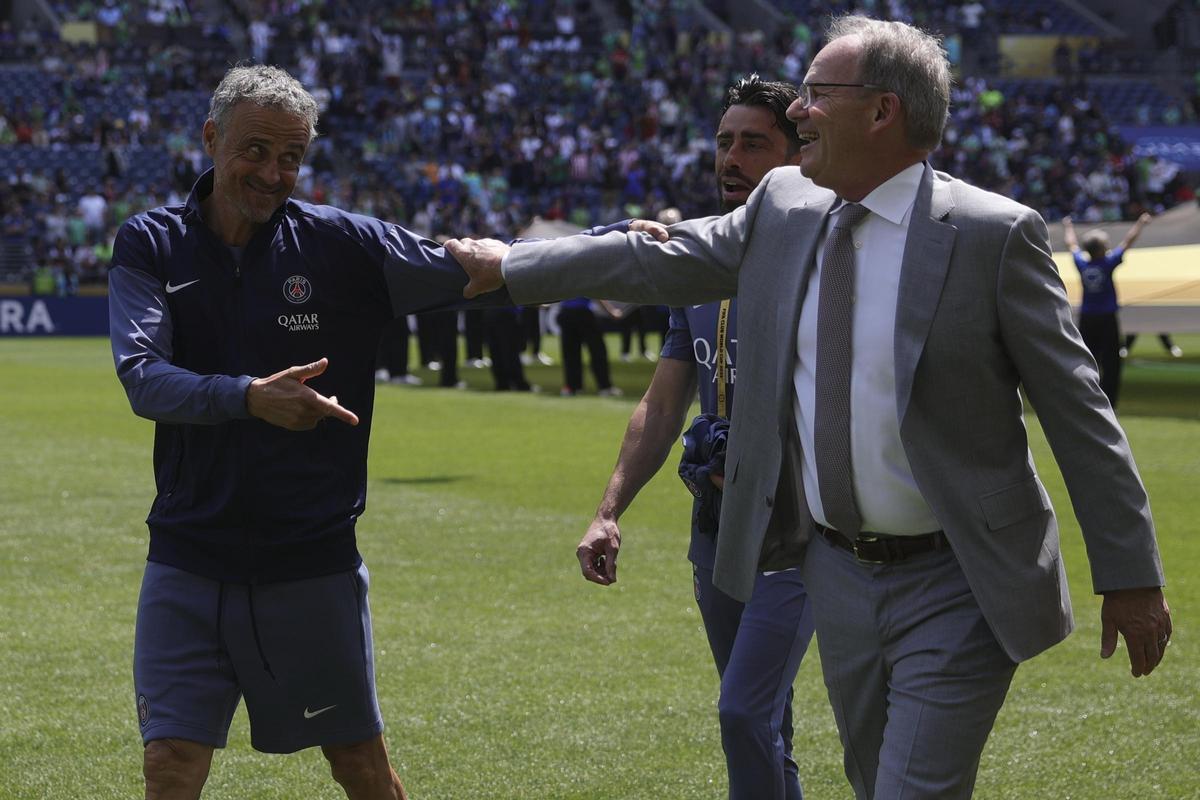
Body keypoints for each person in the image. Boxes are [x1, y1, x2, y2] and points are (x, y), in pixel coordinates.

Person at [447, 15, 1171, 800]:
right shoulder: (785, 204)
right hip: (834, 569)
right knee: (871, 779)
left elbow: (1080, 415)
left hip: (959, 575)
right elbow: (664, 255)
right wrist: (514, 264)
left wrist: (1129, 574)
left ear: (883, 111)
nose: (797, 111)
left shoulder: (992, 236)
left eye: (817, 93)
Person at [108, 64, 498, 800]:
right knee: (170, 765)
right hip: (187, 558)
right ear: (211, 138)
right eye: (255, 150)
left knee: (358, 764)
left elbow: (477, 267)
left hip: (309, 562)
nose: (272, 172)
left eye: (291, 157)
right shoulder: (151, 244)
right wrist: (249, 397)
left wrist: (617, 240)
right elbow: (142, 378)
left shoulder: (342, 244)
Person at [576, 75, 814, 800]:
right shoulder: (701, 262)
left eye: (753, 143)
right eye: (723, 142)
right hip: (715, 524)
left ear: (798, 155)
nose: (731, 159)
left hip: (800, 526)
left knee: (744, 712)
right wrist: (609, 508)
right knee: (767, 725)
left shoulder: (822, 255)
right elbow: (663, 398)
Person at [1063, 212, 1153, 408]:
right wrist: (1140, 222)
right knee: (1111, 361)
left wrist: (1068, 226)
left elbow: (1071, 245)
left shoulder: (1082, 264)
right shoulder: (1108, 263)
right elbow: (1128, 241)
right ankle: (1109, 401)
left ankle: (1086, 395)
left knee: (1087, 360)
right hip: (1106, 319)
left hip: (1087, 318)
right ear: (1102, 249)